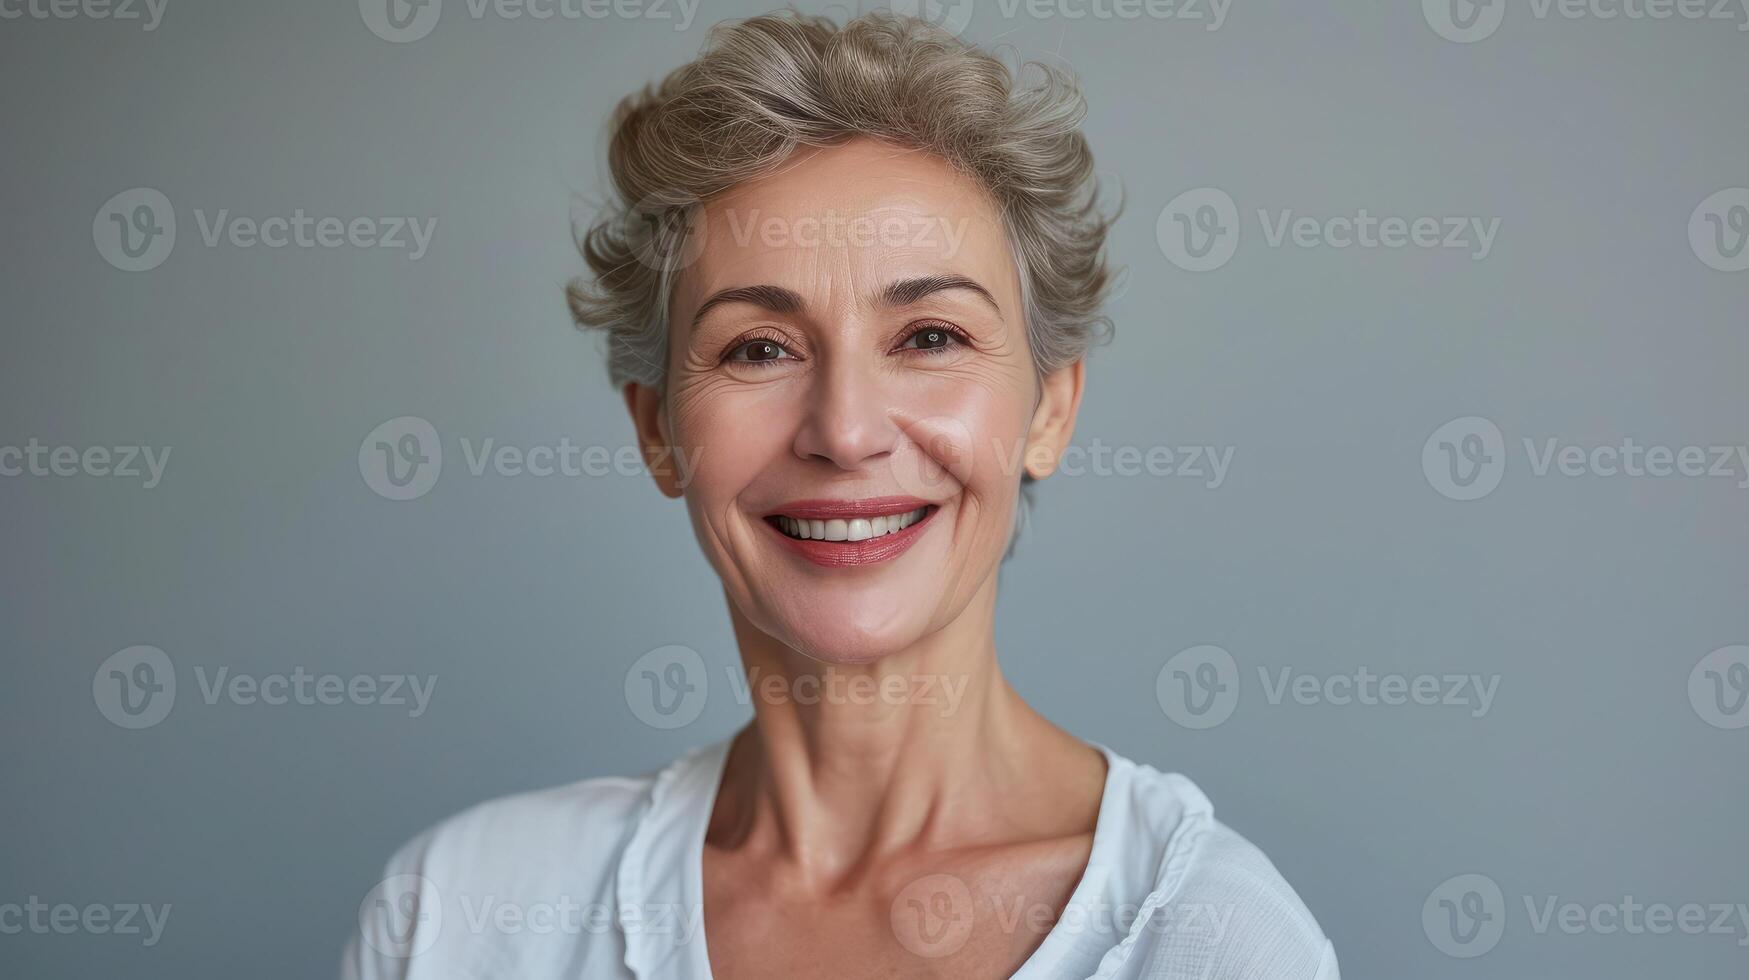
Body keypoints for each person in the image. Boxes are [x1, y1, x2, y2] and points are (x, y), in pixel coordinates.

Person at [344, 11, 1337, 978]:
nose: (845, 430)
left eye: (929, 337)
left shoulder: (1212, 942)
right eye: (760, 347)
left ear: (1049, 409)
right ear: (658, 430)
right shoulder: (454, 918)